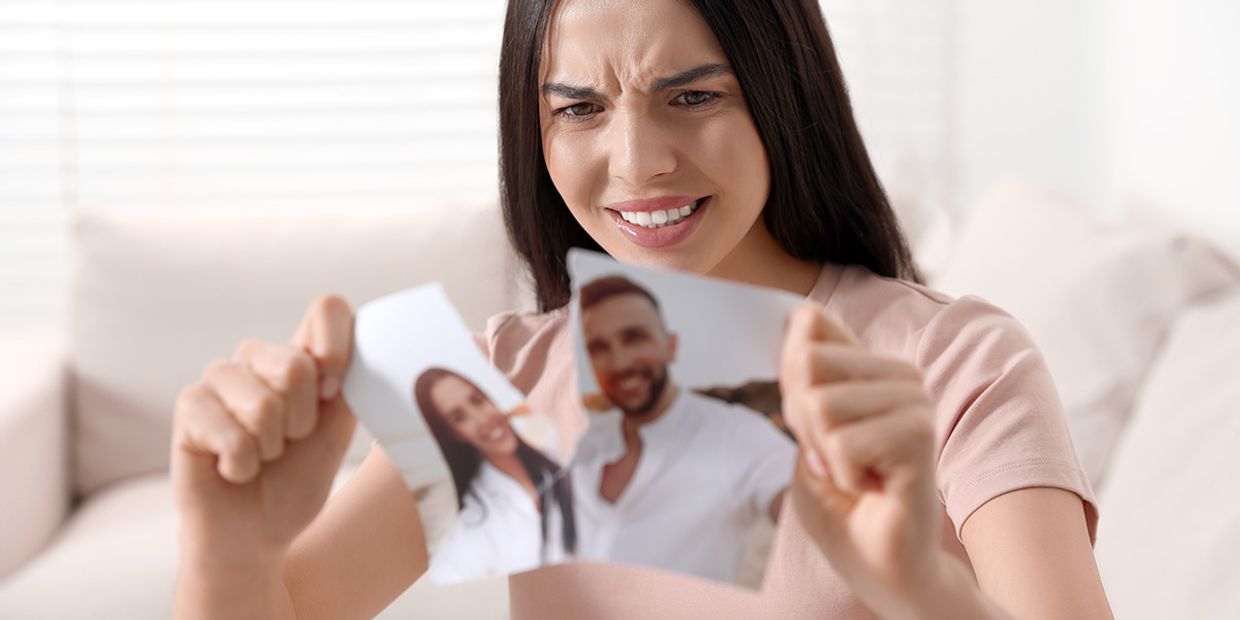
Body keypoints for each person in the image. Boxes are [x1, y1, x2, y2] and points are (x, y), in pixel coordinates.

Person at [170, 0, 1114, 617]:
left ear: (787, 101)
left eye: (692, 95)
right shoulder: (502, 377)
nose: (638, 164)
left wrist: (918, 586)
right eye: (578, 109)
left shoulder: (959, 362)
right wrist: (226, 543)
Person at [570, 275, 795, 583]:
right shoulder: (578, 438)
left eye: (634, 337)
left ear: (670, 346)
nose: (619, 361)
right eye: (599, 347)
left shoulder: (734, 434)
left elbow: (817, 518)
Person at [412, 368, 576, 582]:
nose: (483, 420)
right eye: (459, 418)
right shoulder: (470, 525)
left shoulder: (562, 454)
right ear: (452, 434)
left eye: (478, 401)